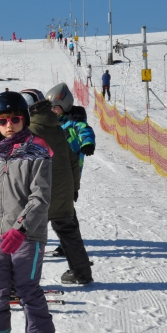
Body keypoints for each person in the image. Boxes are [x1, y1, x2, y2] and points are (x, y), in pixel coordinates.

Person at [0, 91, 58, 333]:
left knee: (27, 288)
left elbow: (40, 197)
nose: (9, 125)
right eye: (2, 121)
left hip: (28, 235)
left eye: (14, 119)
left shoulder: (38, 151)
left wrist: (20, 229)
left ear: (24, 119)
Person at [22, 89, 92, 287]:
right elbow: (72, 161)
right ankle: (81, 272)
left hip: (40, 194)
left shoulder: (30, 132)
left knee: (27, 234)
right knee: (69, 231)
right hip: (63, 192)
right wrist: (73, 188)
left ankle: (22, 279)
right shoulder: (57, 128)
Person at [45, 83, 96, 285]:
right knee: (63, 215)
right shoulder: (55, 123)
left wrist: (87, 143)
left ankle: (69, 252)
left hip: (70, 171)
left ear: (65, 106)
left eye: (55, 108)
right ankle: (67, 248)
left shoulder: (74, 122)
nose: (52, 111)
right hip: (60, 172)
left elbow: (86, 131)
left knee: (61, 214)